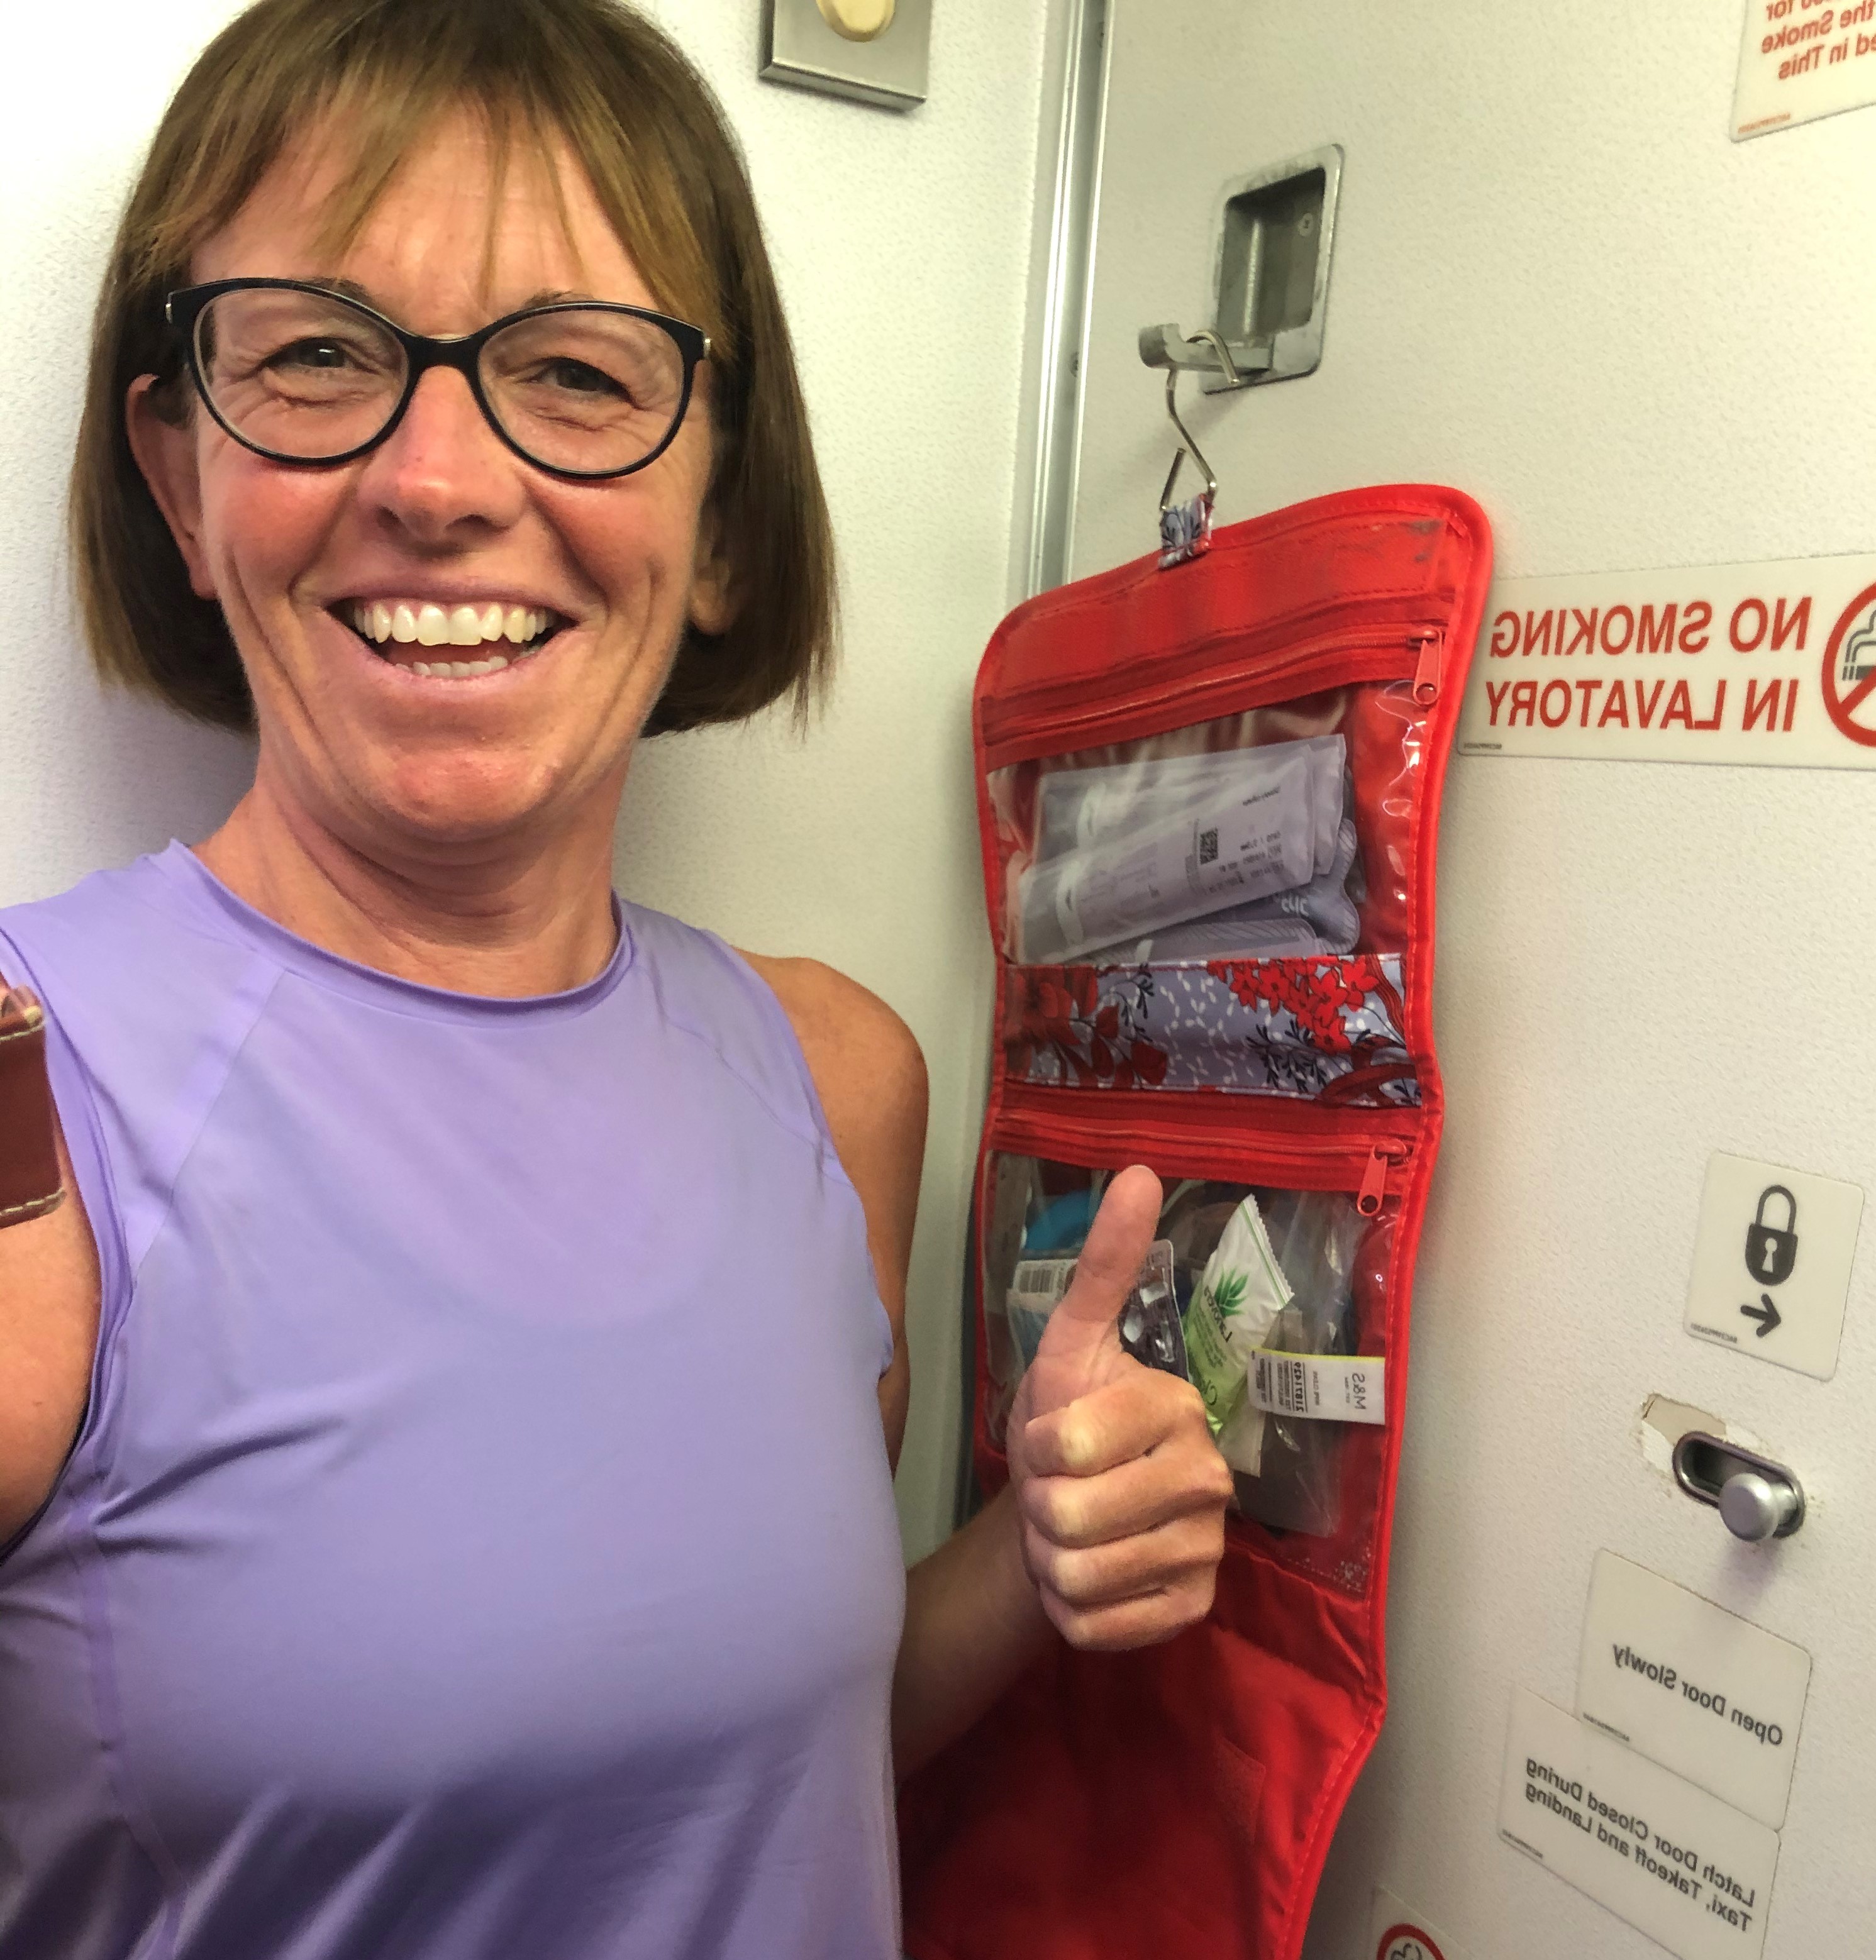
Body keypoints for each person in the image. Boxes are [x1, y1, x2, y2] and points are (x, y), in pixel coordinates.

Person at [0, 2, 1233, 1954]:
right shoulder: (28, 1111)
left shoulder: (834, 1077)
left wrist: (1034, 1560)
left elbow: (761, 1765)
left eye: (574, 374)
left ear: (725, 513)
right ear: (179, 476)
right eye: (317, 356)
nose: (438, 475)